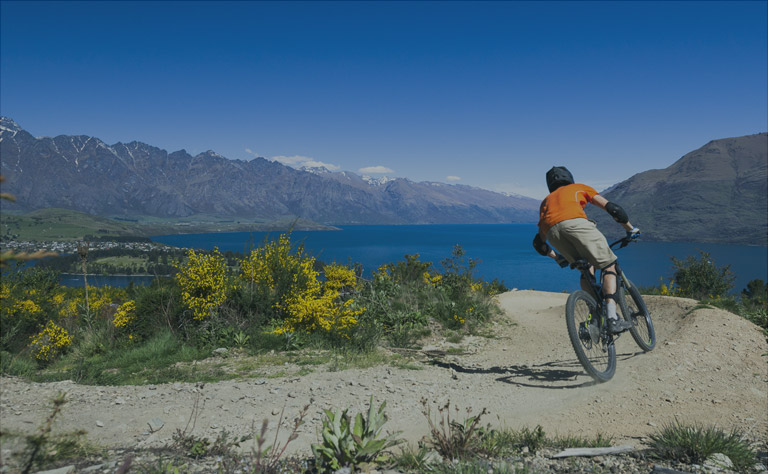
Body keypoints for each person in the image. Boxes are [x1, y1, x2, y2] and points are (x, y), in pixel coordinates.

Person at [533, 166, 640, 334]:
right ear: (569, 178)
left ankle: (595, 312)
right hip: (577, 225)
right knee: (609, 266)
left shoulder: (545, 202)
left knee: (585, 269)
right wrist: (630, 229)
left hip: (552, 233)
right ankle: (612, 318)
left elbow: (539, 243)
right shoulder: (579, 188)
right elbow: (614, 209)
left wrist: (557, 257)